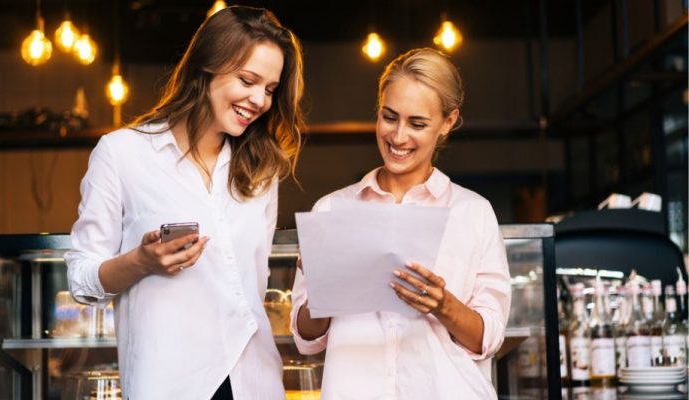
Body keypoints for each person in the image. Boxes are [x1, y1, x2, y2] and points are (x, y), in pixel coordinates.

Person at [64, 6, 305, 399]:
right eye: (248, 80)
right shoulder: (122, 154)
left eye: (270, 89)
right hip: (169, 380)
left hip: (252, 380)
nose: (260, 99)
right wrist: (140, 262)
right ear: (205, 68)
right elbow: (81, 280)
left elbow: (254, 284)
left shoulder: (261, 168)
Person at [290, 48, 511, 399]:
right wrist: (323, 290)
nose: (398, 136)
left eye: (417, 123)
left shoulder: (474, 213)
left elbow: (490, 337)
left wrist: (443, 305)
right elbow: (306, 339)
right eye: (389, 117)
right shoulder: (331, 208)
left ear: (448, 122)